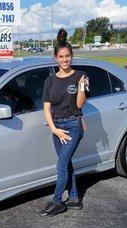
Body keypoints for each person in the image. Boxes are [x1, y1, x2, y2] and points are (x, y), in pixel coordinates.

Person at [40, 28, 89, 217]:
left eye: (68, 56)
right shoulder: (50, 81)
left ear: (72, 56)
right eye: (61, 56)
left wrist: (81, 88)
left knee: (61, 166)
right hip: (57, 127)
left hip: (73, 125)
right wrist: (54, 129)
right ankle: (75, 198)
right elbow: (46, 107)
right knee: (66, 163)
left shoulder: (80, 76)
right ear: (55, 58)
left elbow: (78, 105)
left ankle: (57, 201)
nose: (65, 60)